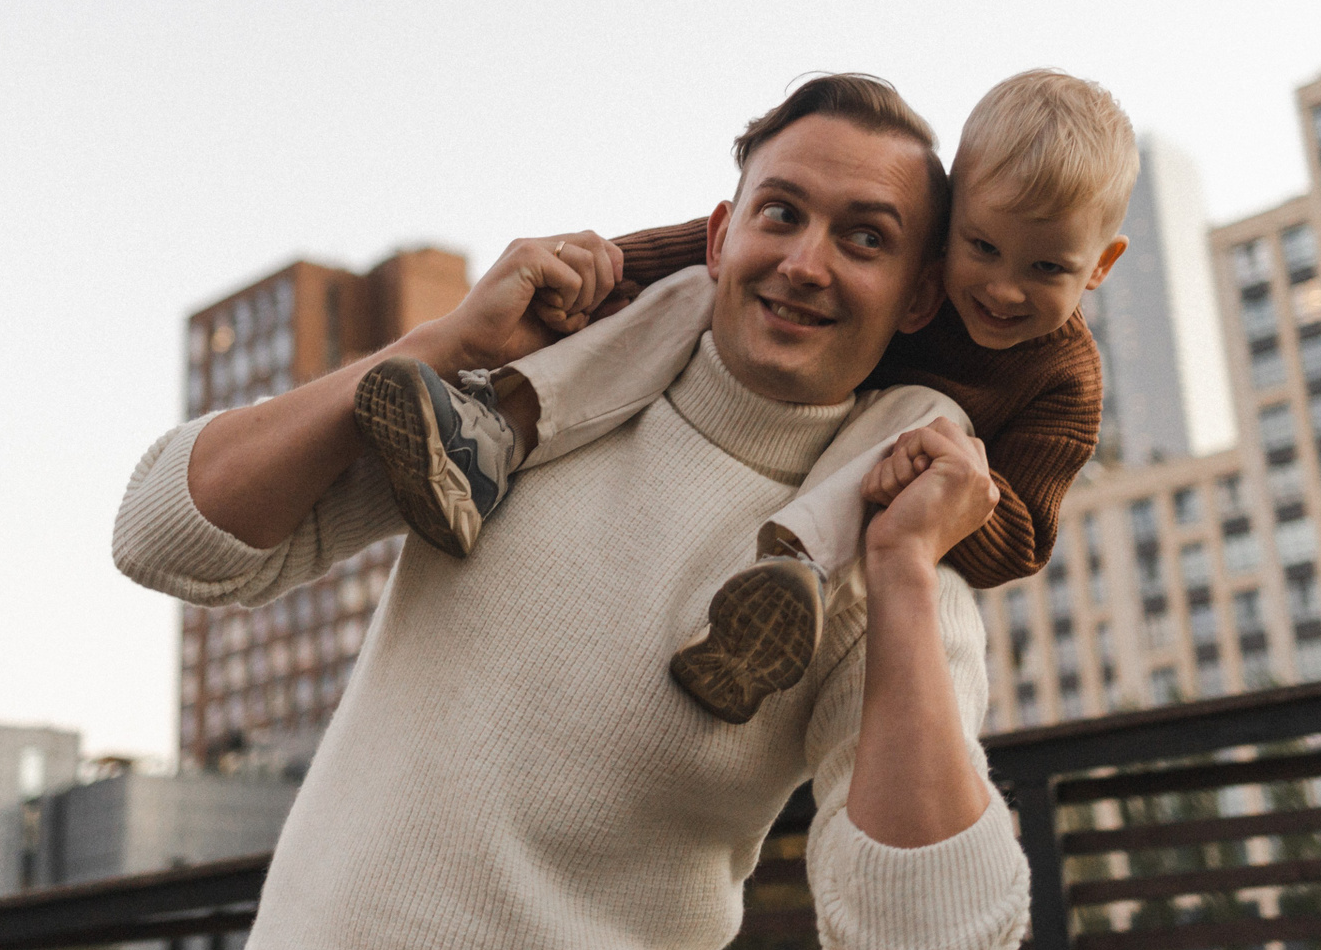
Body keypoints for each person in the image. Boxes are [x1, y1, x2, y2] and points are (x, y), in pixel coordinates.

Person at [113, 74, 1032, 950]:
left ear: (920, 296)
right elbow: (161, 534)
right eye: (781, 213)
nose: (805, 263)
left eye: (865, 239)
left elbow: (934, 943)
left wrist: (904, 568)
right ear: (722, 238)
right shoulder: (508, 415)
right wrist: (445, 342)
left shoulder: (882, 556)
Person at [356, 69, 1136, 723]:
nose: (1001, 289)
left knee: (934, 419)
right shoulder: (878, 257)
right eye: (982, 247)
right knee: (700, 290)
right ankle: (490, 435)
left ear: (1101, 265)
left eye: (1047, 269)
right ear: (951, 224)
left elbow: (1028, 537)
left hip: (868, 485)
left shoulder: (1065, 383)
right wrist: (599, 267)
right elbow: (711, 251)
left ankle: (778, 604)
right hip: (781, 402)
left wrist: (957, 491)